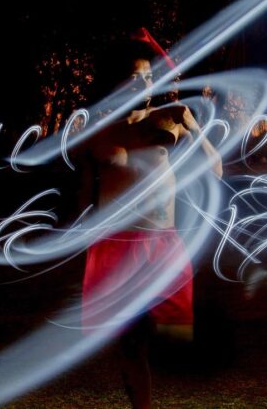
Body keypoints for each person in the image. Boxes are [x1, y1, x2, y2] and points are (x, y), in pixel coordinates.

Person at [78, 31, 222, 409]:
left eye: (147, 75)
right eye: (135, 75)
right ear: (115, 82)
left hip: (163, 243)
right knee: (130, 343)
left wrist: (193, 126)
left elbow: (216, 169)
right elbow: (84, 195)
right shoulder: (97, 131)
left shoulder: (169, 120)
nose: (145, 82)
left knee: (176, 339)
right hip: (117, 245)